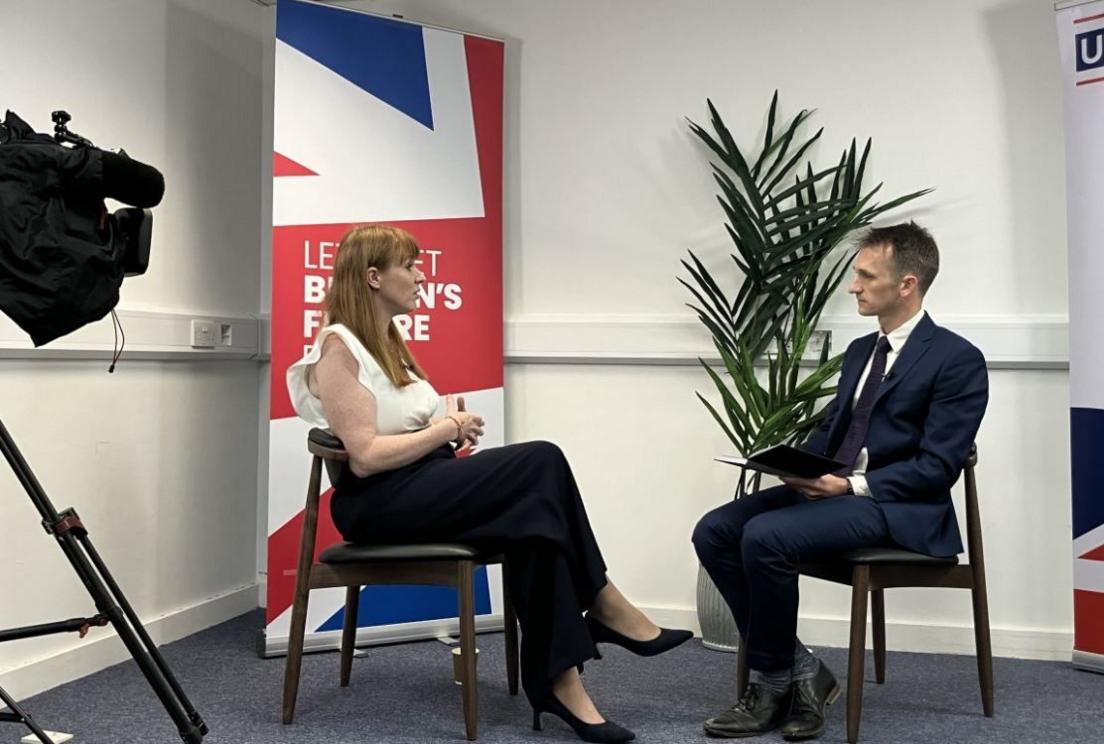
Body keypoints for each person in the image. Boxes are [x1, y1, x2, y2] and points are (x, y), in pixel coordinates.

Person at [287, 224, 691, 744]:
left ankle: (561, 684)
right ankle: (603, 601)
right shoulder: (339, 347)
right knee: (541, 460)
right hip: (378, 503)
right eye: (408, 266)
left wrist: (447, 436)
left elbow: (402, 430)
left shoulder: (385, 341)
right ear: (372, 277)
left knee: (534, 525)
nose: (418, 275)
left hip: (421, 482)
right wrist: (445, 429)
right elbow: (364, 458)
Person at [692, 222, 988, 740]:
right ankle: (802, 670)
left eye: (865, 276)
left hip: (900, 508)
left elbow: (937, 468)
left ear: (907, 285)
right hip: (837, 490)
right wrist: (791, 465)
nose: (853, 286)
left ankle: (771, 685)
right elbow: (834, 434)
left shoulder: (957, 359)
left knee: (766, 537)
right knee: (715, 530)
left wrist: (849, 487)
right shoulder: (859, 352)